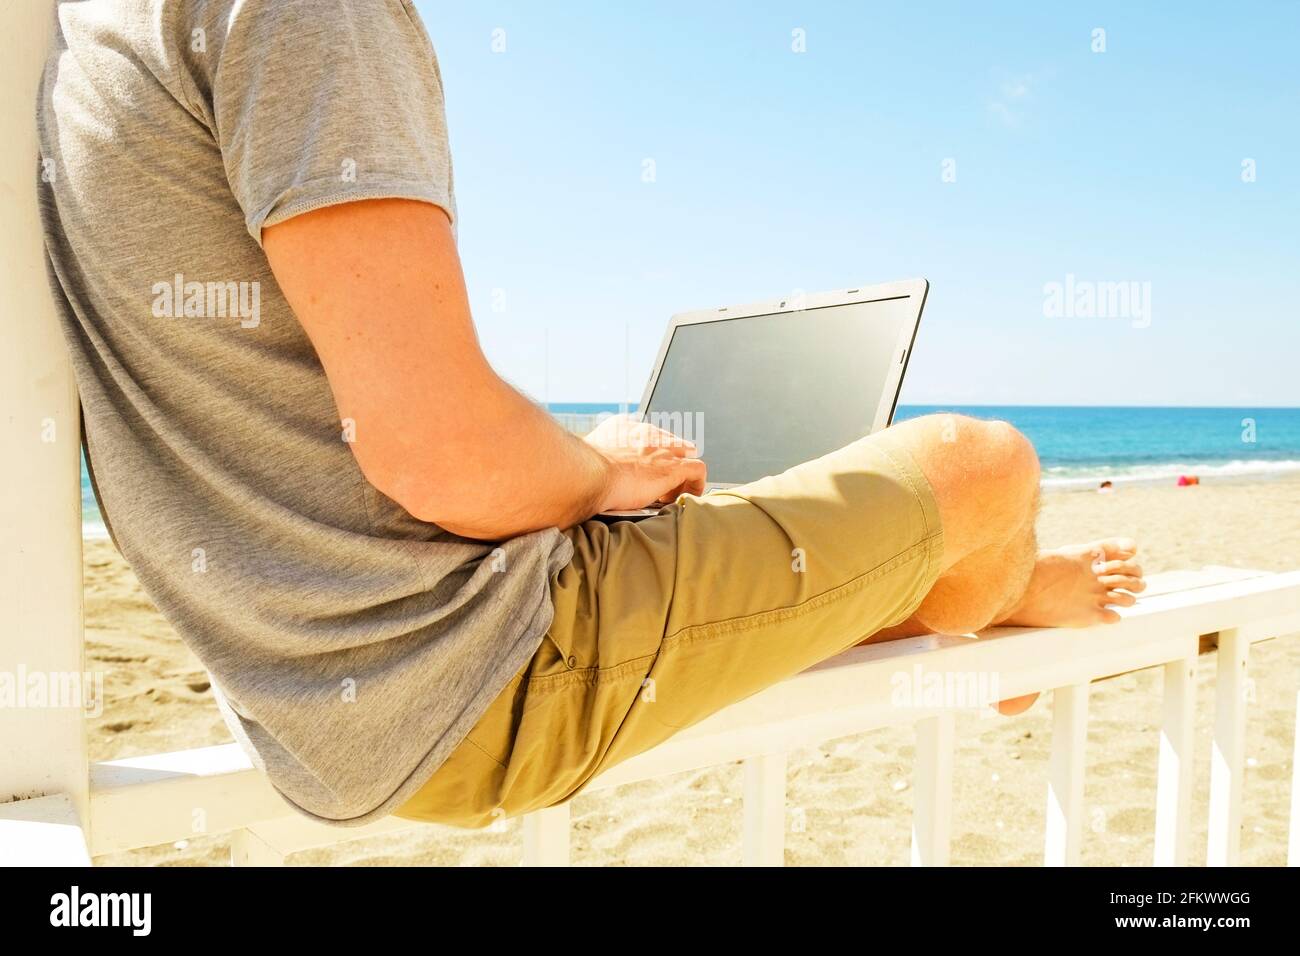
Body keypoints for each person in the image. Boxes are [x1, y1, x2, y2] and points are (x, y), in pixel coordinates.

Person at [37, 0, 1144, 826]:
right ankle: (986, 603)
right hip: (479, 665)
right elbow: (438, 454)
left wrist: (574, 469)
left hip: (301, 690)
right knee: (985, 463)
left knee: (721, 488)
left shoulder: (88, 33)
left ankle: (885, 576)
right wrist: (596, 473)